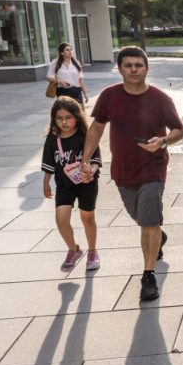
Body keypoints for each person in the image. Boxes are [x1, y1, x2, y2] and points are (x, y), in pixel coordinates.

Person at [82, 46, 183, 301]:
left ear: (146, 68)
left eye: (138, 65)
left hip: (153, 168)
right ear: (119, 68)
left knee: (149, 221)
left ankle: (148, 275)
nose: (134, 69)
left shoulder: (160, 99)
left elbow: (178, 130)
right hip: (123, 170)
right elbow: (96, 127)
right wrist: (85, 159)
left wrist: (162, 141)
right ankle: (158, 236)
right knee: (141, 218)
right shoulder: (109, 96)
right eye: (128, 65)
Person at [41, 96, 102, 272]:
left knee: (87, 218)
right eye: (59, 118)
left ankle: (92, 251)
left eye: (68, 117)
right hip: (64, 185)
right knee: (61, 219)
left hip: (87, 184)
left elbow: (96, 159)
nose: (64, 122)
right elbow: (48, 163)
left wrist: (91, 170)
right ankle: (73, 249)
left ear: (77, 117)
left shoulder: (86, 135)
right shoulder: (53, 139)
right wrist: (46, 183)